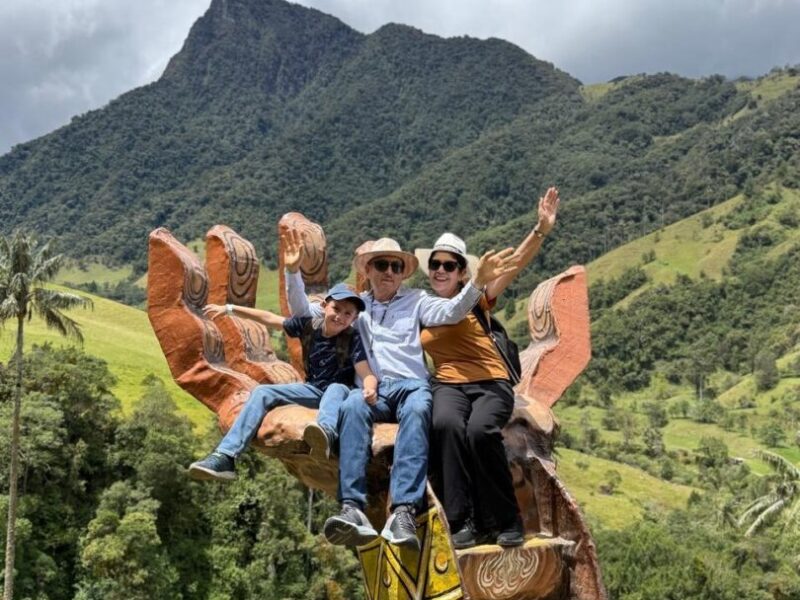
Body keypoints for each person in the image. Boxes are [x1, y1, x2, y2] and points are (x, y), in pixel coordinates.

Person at [285, 232, 517, 551]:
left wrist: (476, 283)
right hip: (372, 389)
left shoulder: (418, 300)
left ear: (402, 272)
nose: (389, 271)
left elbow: (451, 312)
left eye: (396, 266)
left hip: (411, 385)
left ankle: (404, 511)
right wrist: (292, 273)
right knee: (352, 407)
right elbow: (304, 313)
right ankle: (352, 508)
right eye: (382, 264)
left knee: (421, 408)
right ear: (368, 270)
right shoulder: (355, 306)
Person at [416, 186, 560, 549]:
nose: (440, 270)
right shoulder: (422, 308)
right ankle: (460, 521)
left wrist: (540, 228)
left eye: (449, 265)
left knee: (481, 431)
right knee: (446, 425)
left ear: (463, 272)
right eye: (435, 264)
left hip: (490, 381)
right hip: (447, 384)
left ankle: (505, 518)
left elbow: (516, 263)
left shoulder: (477, 297)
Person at [188, 267, 378, 480]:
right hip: (313, 390)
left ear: (353, 319)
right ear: (325, 306)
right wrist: (230, 308)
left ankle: (325, 435)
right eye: (337, 308)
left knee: (335, 388)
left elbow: (366, 371)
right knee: (262, 392)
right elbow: (270, 319)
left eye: (348, 314)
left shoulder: (352, 338)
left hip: (339, 392)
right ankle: (226, 456)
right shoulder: (308, 326)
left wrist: (370, 388)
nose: (340, 316)